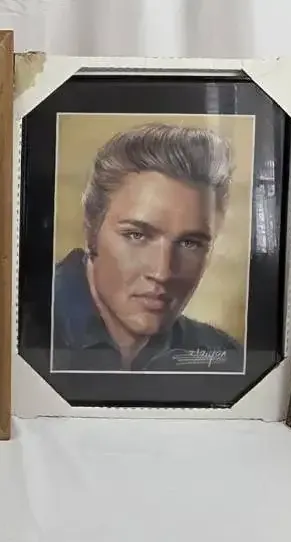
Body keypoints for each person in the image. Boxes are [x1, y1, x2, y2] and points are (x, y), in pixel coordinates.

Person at [50, 123, 243, 372]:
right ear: (91, 230)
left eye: (190, 243)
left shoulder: (223, 358)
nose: (162, 272)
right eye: (137, 235)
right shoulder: (18, 325)